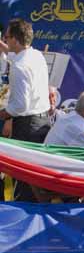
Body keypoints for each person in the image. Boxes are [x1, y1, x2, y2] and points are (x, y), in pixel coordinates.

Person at [0, 19, 50, 201]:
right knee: (35, 178)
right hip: (41, 122)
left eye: (7, 37)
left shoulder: (19, 68)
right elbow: (13, 56)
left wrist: (2, 114)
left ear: (15, 39)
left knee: (24, 180)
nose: (6, 40)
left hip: (27, 126)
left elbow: (19, 106)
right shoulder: (36, 55)